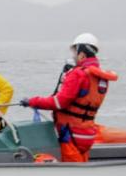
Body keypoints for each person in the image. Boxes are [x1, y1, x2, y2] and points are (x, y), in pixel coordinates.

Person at [19, 33, 117, 162]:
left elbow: (59, 102)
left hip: (71, 134)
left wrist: (32, 101)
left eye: (75, 52)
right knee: (83, 169)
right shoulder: (101, 78)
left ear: (82, 54)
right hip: (87, 135)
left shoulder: (77, 74)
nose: (73, 56)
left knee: (74, 175)